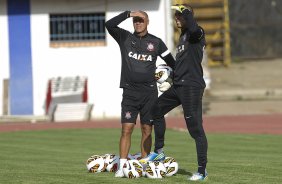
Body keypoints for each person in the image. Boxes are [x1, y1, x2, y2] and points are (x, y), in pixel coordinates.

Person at [139, 4, 208, 181]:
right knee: (155, 110)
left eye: (179, 16)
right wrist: (169, 76)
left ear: (188, 17)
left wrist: (185, 9)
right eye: (176, 16)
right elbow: (182, 65)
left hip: (192, 87)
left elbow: (192, 26)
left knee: (195, 130)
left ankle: (201, 171)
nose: (176, 19)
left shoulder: (196, 33)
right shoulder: (183, 36)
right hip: (178, 86)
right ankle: (159, 152)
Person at [105, 10, 175, 177]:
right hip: (130, 92)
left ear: (147, 22)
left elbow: (171, 62)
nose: (138, 23)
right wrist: (127, 14)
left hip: (149, 93)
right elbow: (109, 25)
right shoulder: (125, 38)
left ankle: (144, 165)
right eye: (135, 20)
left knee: (146, 129)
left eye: (141, 20)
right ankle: (122, 167)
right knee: (126, 129)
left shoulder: (156, 43)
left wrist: (171, 80)